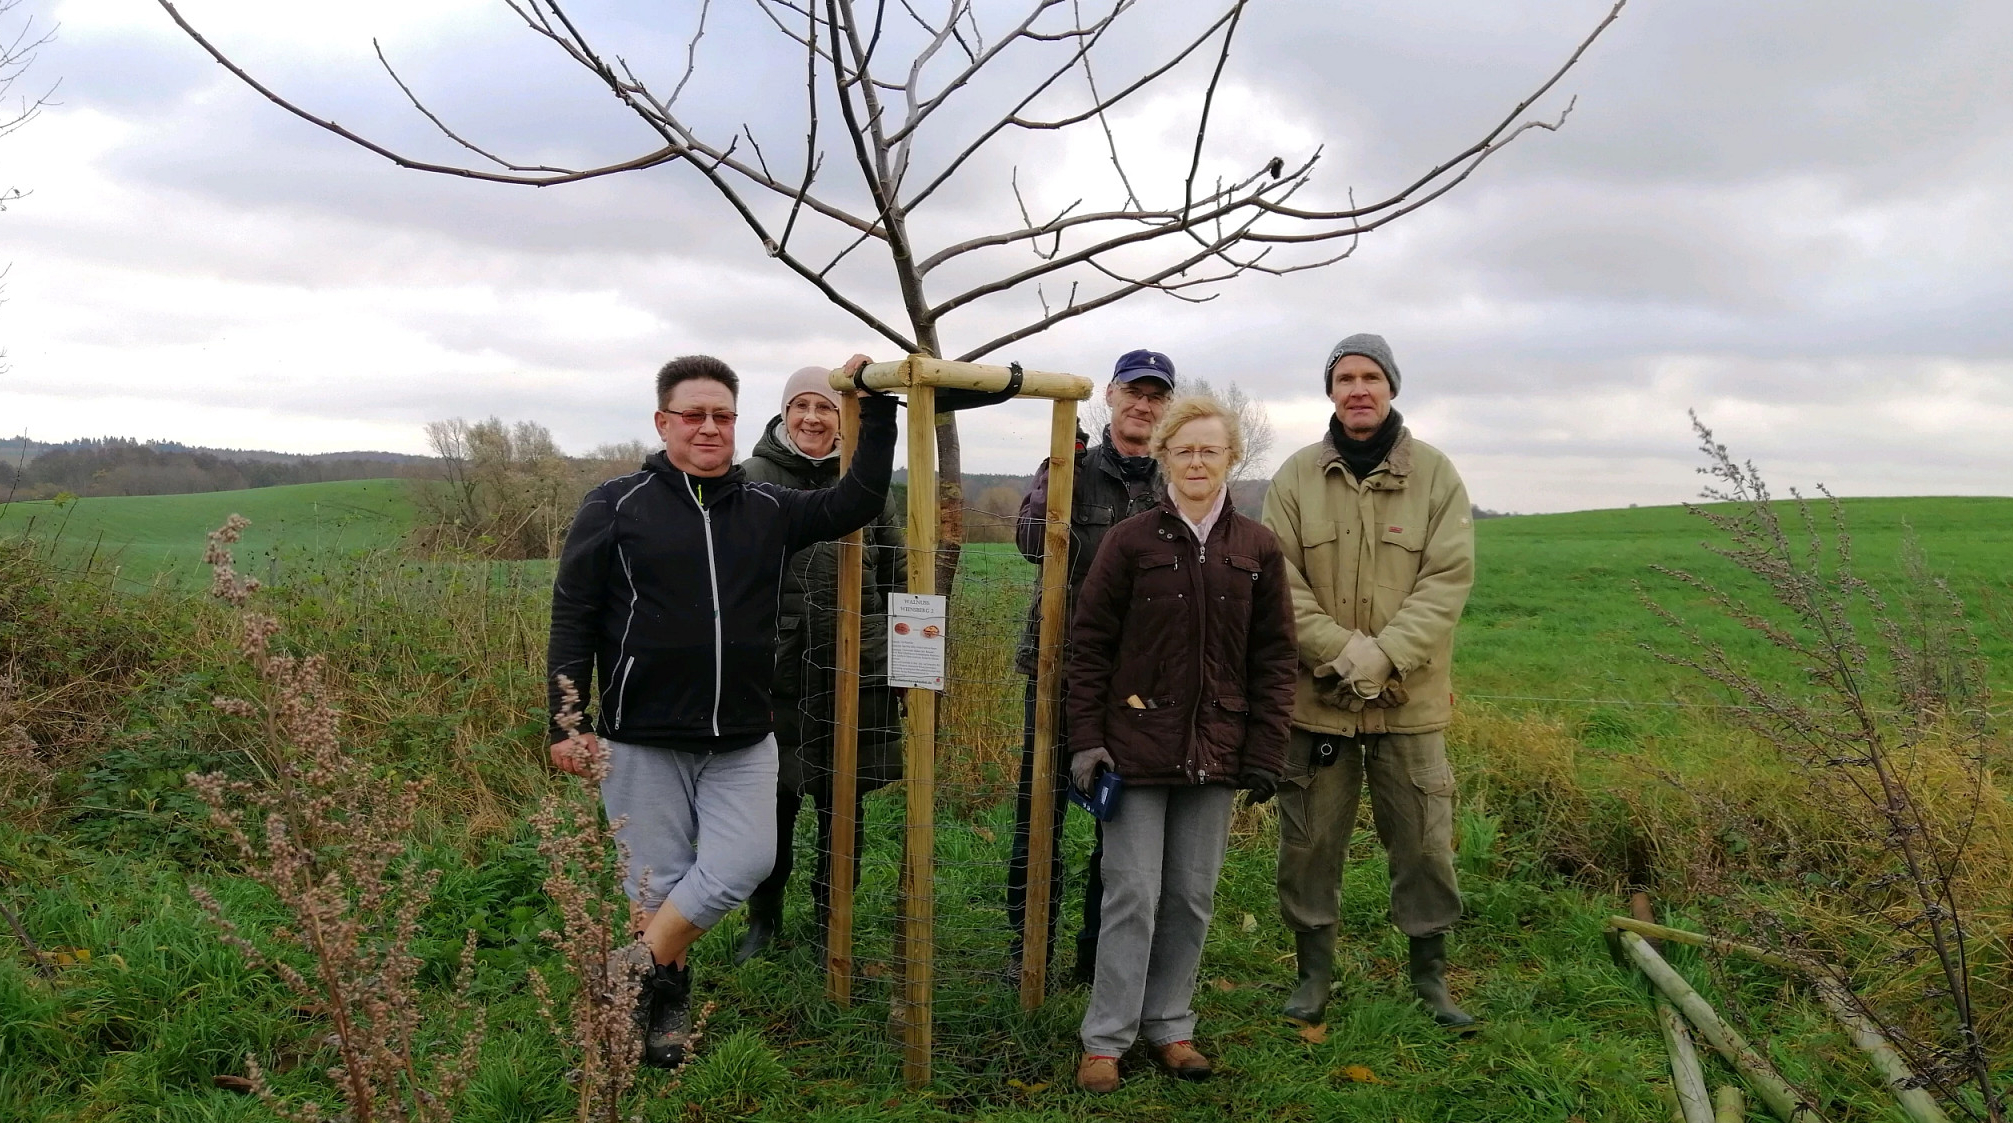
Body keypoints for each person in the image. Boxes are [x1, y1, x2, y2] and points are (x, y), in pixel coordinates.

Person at [545, 353, 897, 1067]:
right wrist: (565, 720)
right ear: (663, 421)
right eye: (694, 414)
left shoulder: (766, 508)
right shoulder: (614, 504)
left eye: (722, 415)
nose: (709, 427)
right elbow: (573, 612)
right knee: (658, 883)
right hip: (642, 734)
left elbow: (855, 500)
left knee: (743, 861)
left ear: (737, 422)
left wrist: (875, 403)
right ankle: (660, 1016)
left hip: (742, 733)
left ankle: (625, 972)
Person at [1065, 395, 1297, 1093]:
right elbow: (1089, 646)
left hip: (1216, 751)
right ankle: (1105, 1038)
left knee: (1191, 897)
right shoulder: (1130, 541)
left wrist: (1264, 749)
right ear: (1163, 455)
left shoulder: (1256, 548)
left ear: (1232, 457)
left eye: (1210, 450)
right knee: (1130, 893)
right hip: (1133, 749)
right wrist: (1086, 740)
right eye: (1183, 449)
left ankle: (1170, 1025)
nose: (1197, 462)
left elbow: (1275, 656)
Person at [1260, 333, 1478, 1029]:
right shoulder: (1293, 478)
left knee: (1422, 840)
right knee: (1308, 843)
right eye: (1344, 377)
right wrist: (1340, 653)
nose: (1358, 388)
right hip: (1315, 702)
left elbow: (1446, 580)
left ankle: (1430, 977)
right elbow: (1279, 584)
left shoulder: (1436, 476)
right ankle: (1311, 976)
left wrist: (1382, 657)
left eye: (1370, 377)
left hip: (1407, 701)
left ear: (1390, 388)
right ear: (1329, 391)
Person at [1007, 349, 1173, 983]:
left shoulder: (1174, 479)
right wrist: (1055, 474)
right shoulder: (1070, 463)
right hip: (1059, 667)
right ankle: (1027, 954)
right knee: (1039, 813)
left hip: (1141, 684)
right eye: (1134, 391)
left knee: (1122, 825)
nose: (1143, 405)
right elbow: (1028, 543)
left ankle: (1097, 957)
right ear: (1110, 394)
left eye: (1157, 396)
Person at [735, 366, 906, 963]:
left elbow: (900, 578)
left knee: (844, 808)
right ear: (783, 412)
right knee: (770, 811)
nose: (812, 417)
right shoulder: (748, 481)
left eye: (826, 407)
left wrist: (900, 666)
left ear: (845, 417)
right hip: (772, 678)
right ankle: (764, 918)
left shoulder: (870, 484)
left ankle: (832, 920)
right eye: (800, 405)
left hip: (855, 674)